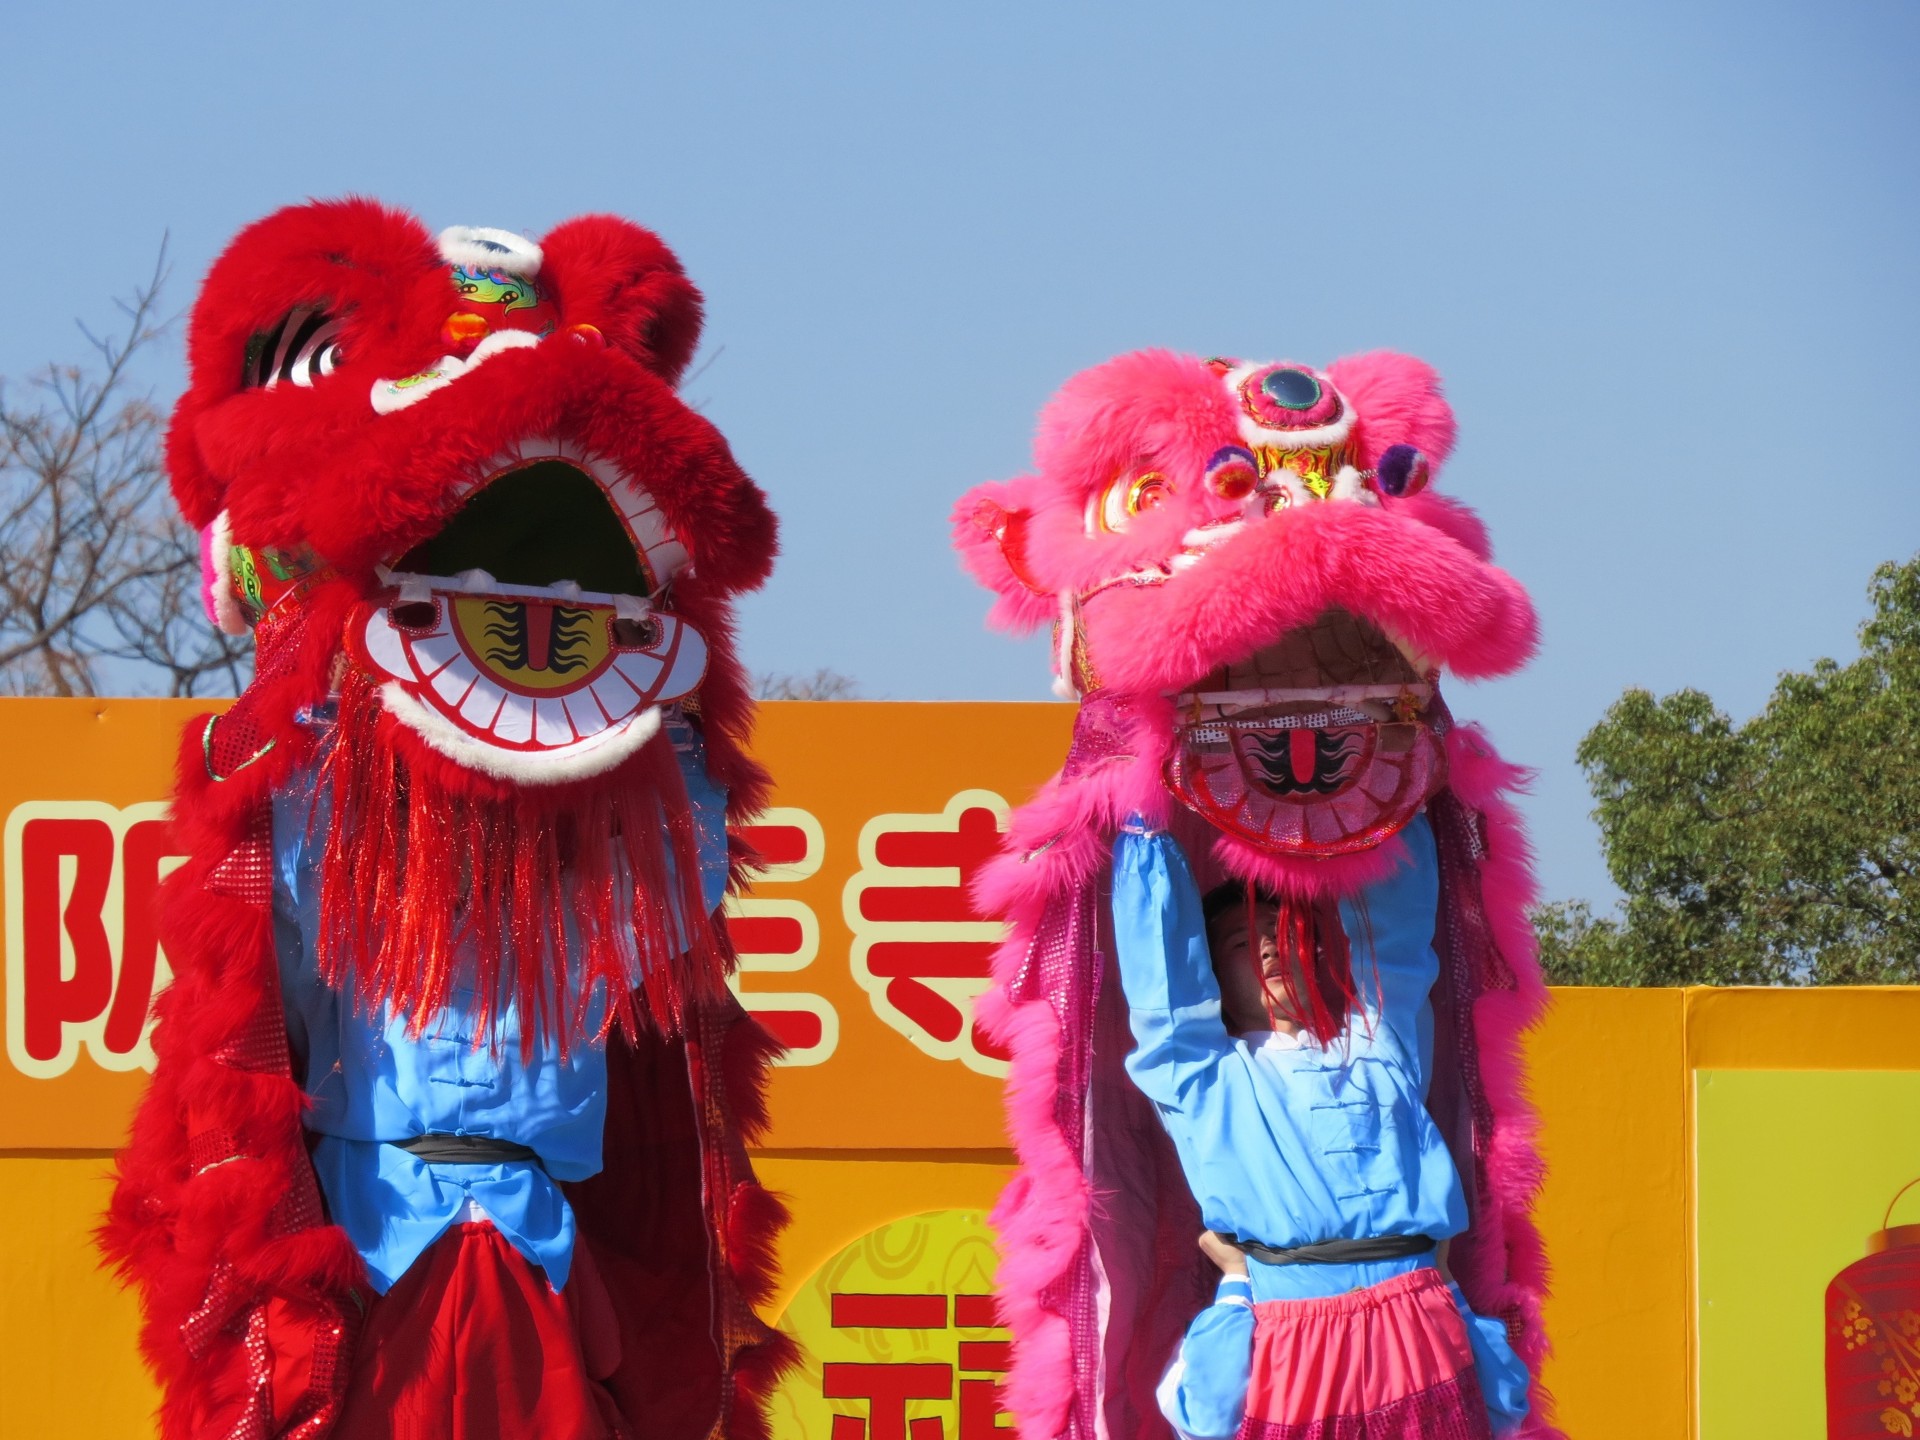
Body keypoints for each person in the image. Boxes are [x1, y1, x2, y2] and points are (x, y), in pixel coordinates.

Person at [1111, 812, 1531, 1439]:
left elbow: (1396, 946)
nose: (1270, 948)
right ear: (1215, 980)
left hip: (1418, 1321)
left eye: (1282, 932)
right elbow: (1163, 996)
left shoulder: (1380, 1049)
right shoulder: (1205, 1078)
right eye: (1239, 944)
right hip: (1292, 1324)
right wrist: (1143, 835)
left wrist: (1394, 803)